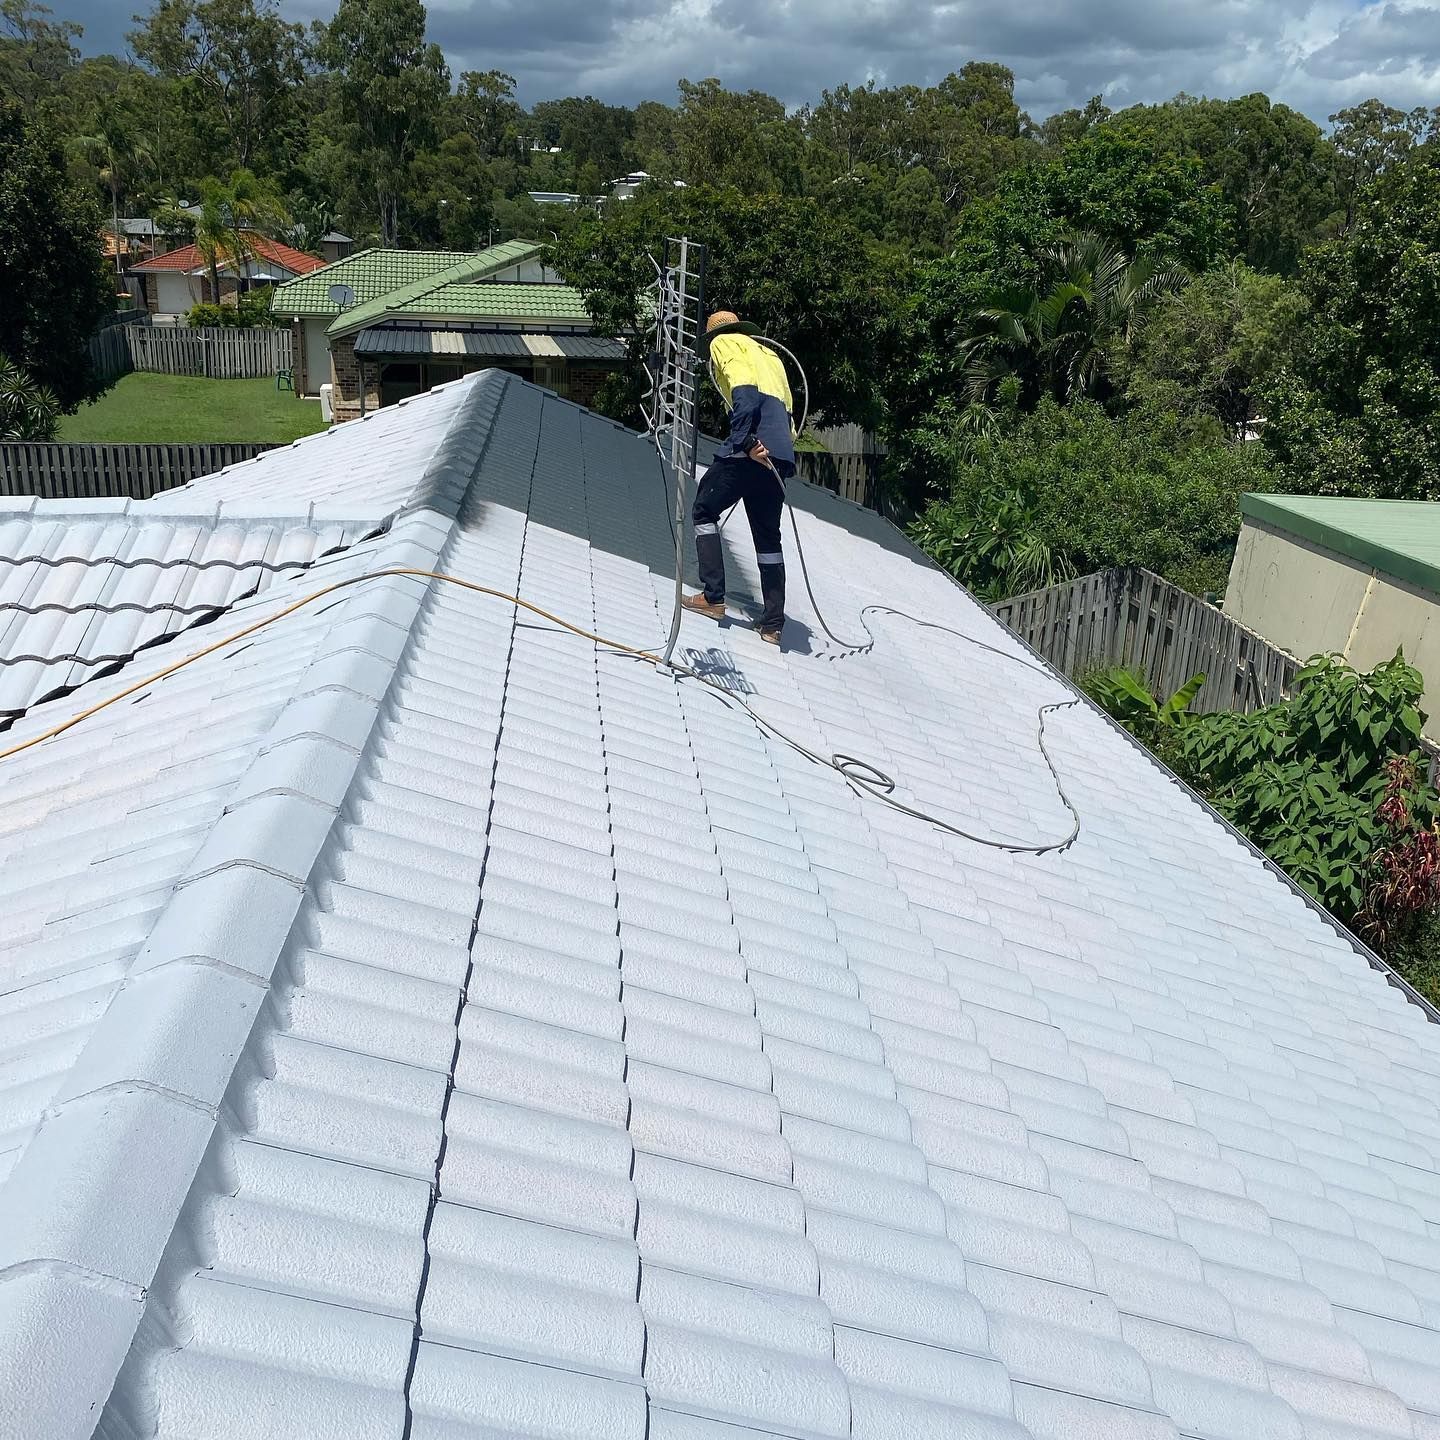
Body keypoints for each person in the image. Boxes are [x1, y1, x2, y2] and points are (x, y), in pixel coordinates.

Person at [681, 310, 795, 645]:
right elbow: (787, 414)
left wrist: (745, 442)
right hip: (779, 455)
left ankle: (713, 597)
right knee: (768, 539)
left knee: (704, 509)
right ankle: (772, 625)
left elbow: (744, 394)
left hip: (751, 448)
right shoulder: (769, 355)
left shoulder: (725, 343)